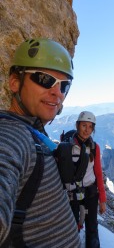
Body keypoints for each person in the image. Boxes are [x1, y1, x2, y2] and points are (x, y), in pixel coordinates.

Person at [0, 38, 81, 247]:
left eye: (64, 85)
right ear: (15, 82)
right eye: (45, 79)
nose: (58, 93)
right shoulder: (11, 136)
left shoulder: (33, 131)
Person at [65, 111, 106, 248]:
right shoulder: (67, 146)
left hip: (90, 192)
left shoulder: (95, 147)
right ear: (77, 126)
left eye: (90, 127)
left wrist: (103, 200)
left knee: (92, 227)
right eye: (84, 125)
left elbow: (98, 173)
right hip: (71, 194)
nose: (87, 130)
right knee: (71, 227)